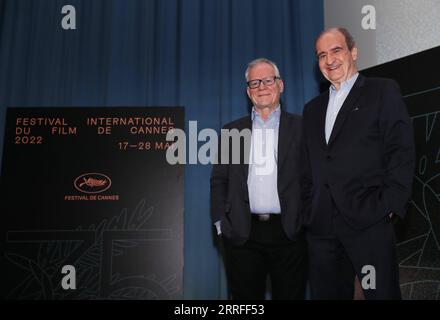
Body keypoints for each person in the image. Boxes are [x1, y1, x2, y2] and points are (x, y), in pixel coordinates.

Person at [302, 27, 415, 299]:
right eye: (322, 55)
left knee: (380, 294)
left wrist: (390, 204)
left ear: (353, 51)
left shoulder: (382, 91)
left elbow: (401, 151)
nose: (329, 60)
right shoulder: (312, 109)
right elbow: (308, 164)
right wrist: (308, 210)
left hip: (369, 221)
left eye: (336, 50)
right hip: (322, 229)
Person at [210, 58, 306, 300]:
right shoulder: (233, 131)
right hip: (243, 234)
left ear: (280, 85)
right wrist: (222, 224)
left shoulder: (303, 128)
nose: (262, 86)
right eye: (254, 82)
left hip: (290, 234)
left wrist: (307, 221)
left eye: (267, 80)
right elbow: (219, 180)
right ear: (248, 91)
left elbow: (313, 179)